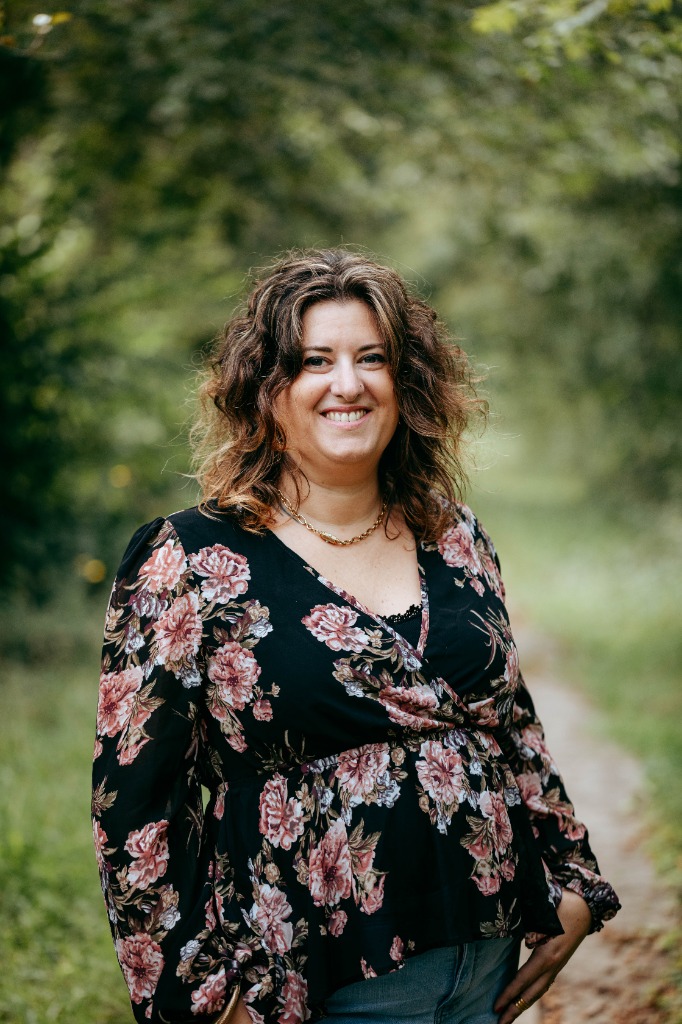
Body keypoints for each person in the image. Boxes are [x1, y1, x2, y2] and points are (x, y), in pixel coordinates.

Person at [92, 248, 620, 1024]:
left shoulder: (454, 534)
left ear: (405, 385)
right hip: (313, 983)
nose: (349, 383)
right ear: (265, 390)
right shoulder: (190, 561)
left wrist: (573, 883)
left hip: (483, 968)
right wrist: (197, 1004)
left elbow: (510, 723)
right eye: (315, 361)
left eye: (372, 358)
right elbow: (135, 805)